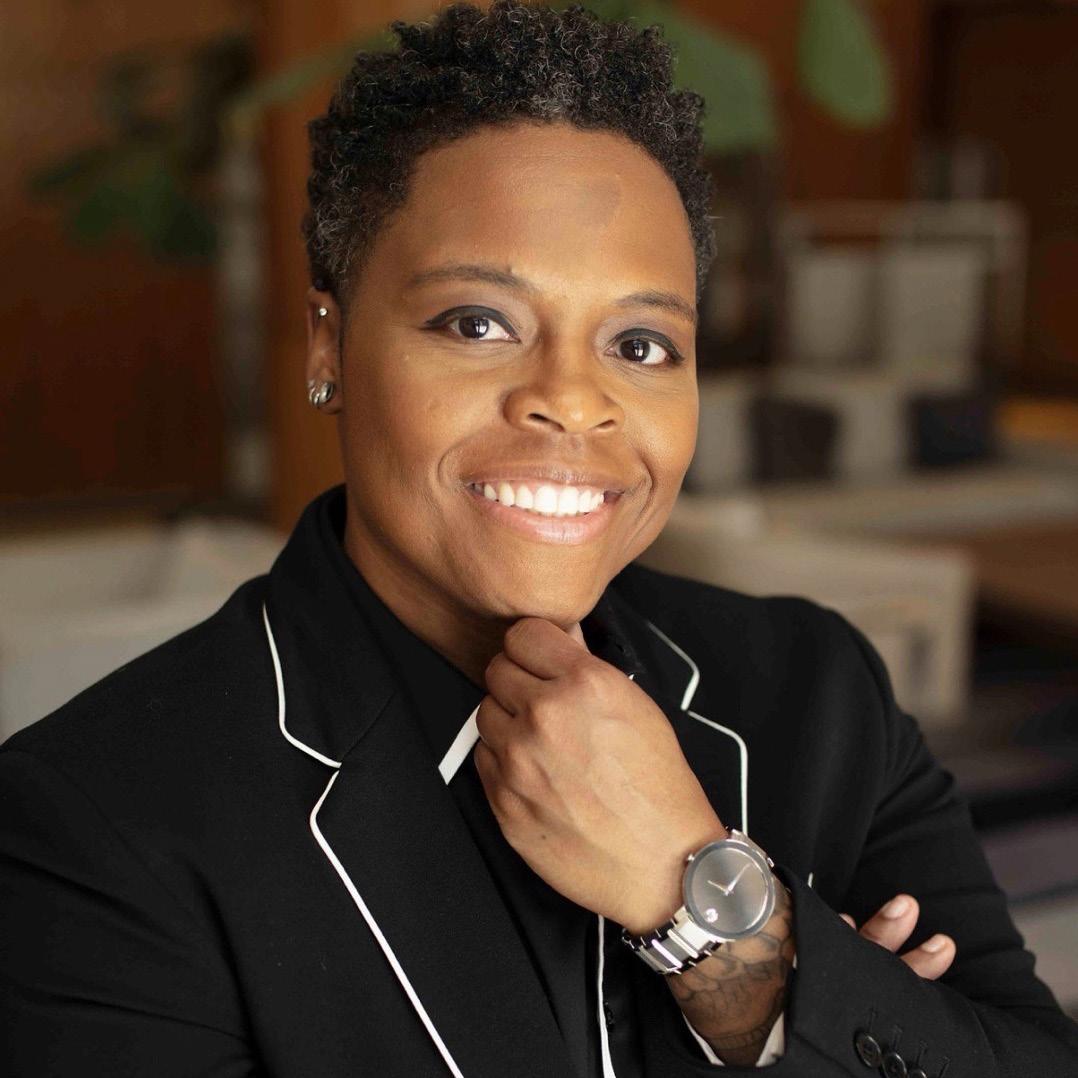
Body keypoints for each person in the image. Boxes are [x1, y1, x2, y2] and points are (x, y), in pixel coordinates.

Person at [2, 2, 1076, 1075]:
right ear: (329, 345)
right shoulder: (96, 825)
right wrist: (795, 974)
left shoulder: (816, 693)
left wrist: (694, 895)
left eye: (641, 343)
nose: (572, 399)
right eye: (478, 323)